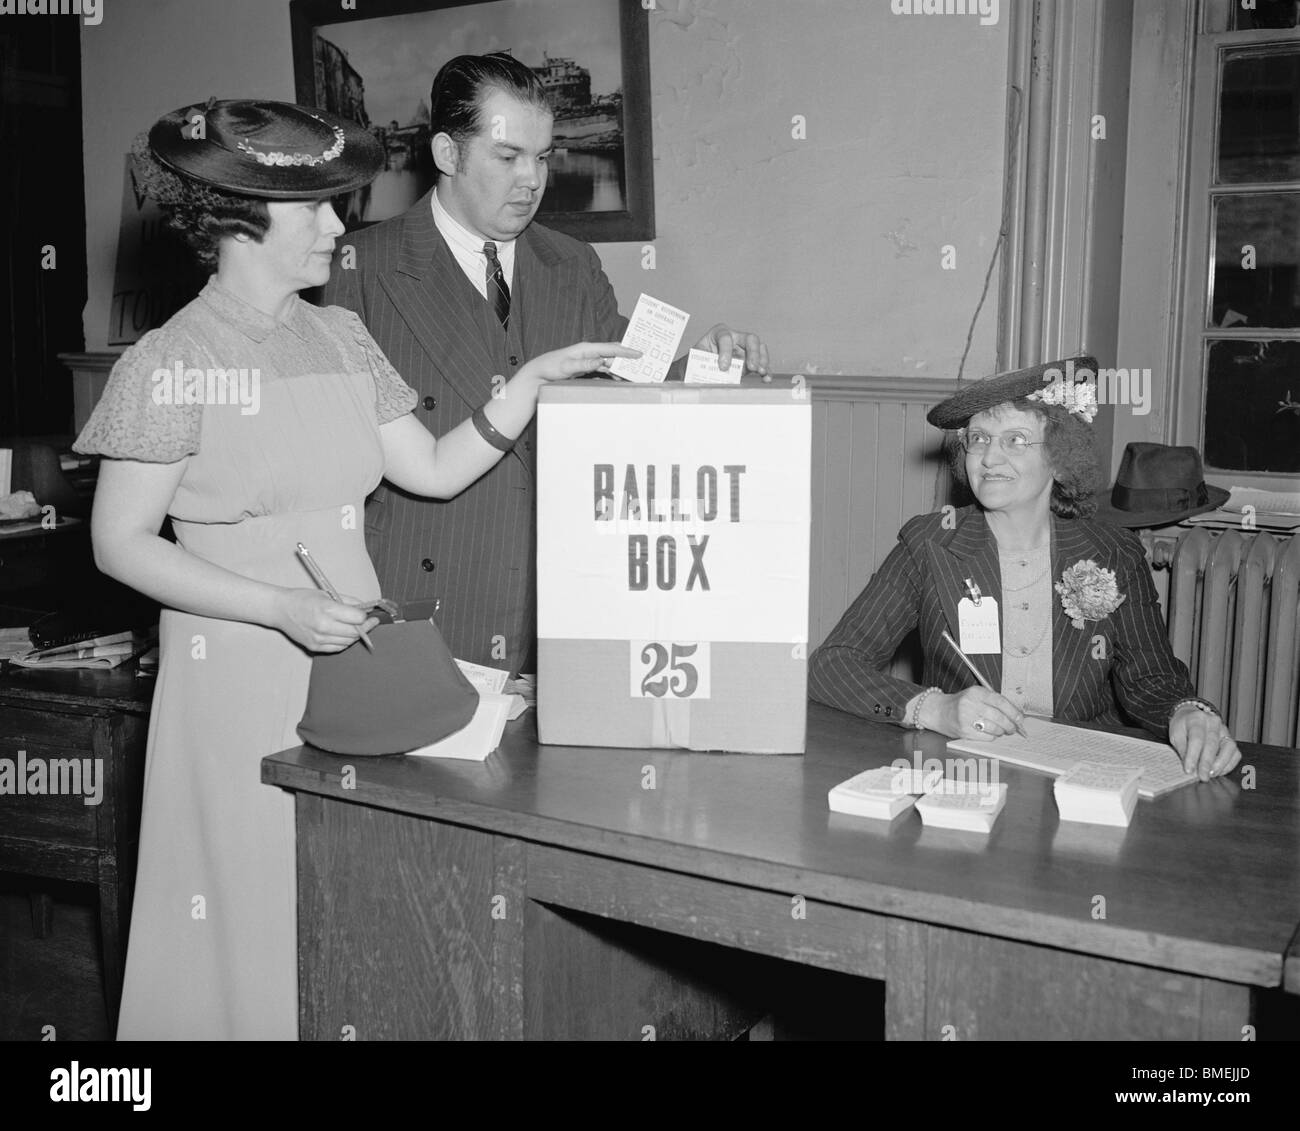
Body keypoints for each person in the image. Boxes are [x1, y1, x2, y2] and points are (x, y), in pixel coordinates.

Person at [73, 99, 635, 1040]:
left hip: (352, 664)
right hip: (239, 667)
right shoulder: (170, 361)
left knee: (342, 900)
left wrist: (530, 383)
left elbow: (432, 469)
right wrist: (280, 606)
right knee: (247, 897)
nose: (340, 226)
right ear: (238, 221)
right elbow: (119, 542)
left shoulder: (339, 338)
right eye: (318, 210)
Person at [322, 52, 769, 674]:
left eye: (542, 157)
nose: (532, 180)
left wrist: (713, 358)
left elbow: (627, 365)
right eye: (507, 158)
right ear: (448, 154)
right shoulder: (356, 270)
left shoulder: (572, 262)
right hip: (415, 603)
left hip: (553, 608)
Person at [808, 357, 1241, 782]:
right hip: (965, 771)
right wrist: (934, 708)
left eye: (1015, 439)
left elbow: (1152, 676)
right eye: (978, 439)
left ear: (1058, 456)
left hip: (1082, 776)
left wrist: (1186, 711)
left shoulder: (1114, 552)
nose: (989, 459)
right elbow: (831, 666)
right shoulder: (929, 545)